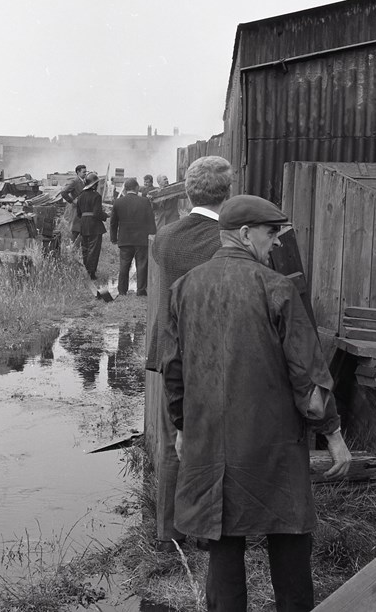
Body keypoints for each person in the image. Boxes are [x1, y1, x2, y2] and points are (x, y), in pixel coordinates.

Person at [162, 194, 352, 612]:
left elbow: (172, 370)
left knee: (225, 545)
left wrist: (181, 427)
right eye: (271, 234)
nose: (275, 243)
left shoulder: (184, 287)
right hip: (274, 445)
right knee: (289, 539)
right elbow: (309, 377)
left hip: (211, 442)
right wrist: (333, 435)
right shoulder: (277, 288)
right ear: (245, 234)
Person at [145, 155, 233, 551]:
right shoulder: (229, 240)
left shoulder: (165, 237)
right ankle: (207, 533)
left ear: (186, 190)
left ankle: (169, 530)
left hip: (168, 352)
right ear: (228, 192)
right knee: (214, 446)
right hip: (215, 355)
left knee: (171, 444)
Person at [109, 177, 156, 296]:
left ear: (125, 189)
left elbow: (113, 223)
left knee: (124, 265)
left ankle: (122, 291)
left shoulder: (118, 202)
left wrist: (114, 238)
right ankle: (141, 290)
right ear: (136, 188)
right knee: (142, 265)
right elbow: (151, 220)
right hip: (141, 239)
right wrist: (152, 234)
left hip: (125, 239)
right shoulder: (144, 201)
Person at [76, 172, 108, 280]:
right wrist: (106, 215)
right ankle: (91, 273)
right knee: (93, 250)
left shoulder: (80, 196)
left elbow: (79, 214)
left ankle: (86, 271)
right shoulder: (96, 196)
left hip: (84, 225)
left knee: (85, 248)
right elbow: (97, 213)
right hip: (94, 226)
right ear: (94, 185)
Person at [60, 164, 87, 242]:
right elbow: (63, 192)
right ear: (78, 172)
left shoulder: (84, 182)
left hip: (83, 210)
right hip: (76, 210)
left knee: (81, 230)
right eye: (83, 172)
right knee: (75, 230)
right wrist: (72, 201)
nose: (85, 174)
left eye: (86, 172)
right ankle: (71, 249)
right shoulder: (74, 181)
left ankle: (77, 249)